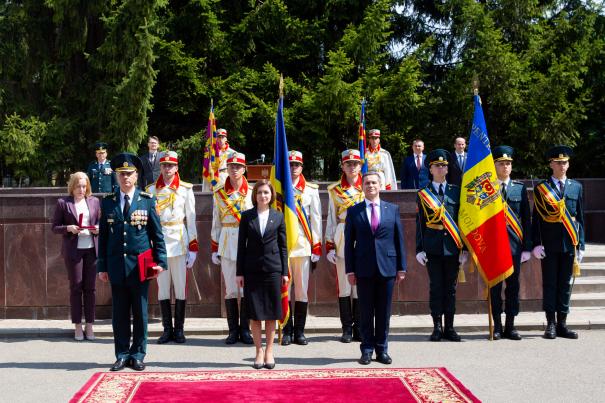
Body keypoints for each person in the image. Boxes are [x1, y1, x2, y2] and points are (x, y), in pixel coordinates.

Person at [97, 153, 167, 372]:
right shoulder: (108, 202)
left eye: (129, 174)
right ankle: (121, 354)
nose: (125, 177)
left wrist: (161, 261)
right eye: (121, 174)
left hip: (140, 267)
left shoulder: (147, 200)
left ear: (136, 176)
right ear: (117, 176)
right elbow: (104, 237)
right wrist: (102, 266)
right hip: (117, 266)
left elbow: (157, 235)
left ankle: (138, 354)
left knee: (140, 313)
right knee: (119, 315)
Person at [345, 171, 407, 365]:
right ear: (362, 187)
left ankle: (382, 350)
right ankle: (366, 349)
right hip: (363, 268)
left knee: (383, 312)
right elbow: (349, 244)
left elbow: (399, 240)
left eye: (373, 183)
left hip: (387, 267)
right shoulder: (354, 211)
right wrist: (350, 270)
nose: (370, 186)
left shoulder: (392, 209)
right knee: (365, 312)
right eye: (367, 183)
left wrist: (402, 267)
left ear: (380, 186)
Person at [532, 145, 585, 340]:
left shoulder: (576, 187)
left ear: (568, 164)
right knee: (550, 284)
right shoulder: (542, 188)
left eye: (565, 162)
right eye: (558, 162)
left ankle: (563, 323)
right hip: (549, 244)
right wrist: (536, 243)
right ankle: (551, 324)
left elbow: (580, 217)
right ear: (551, 164)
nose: (562, 166)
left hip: (569, 243)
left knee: (564, 285)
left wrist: (581, 245)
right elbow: (536, 219)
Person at [415, 149, 468, 342]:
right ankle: (437, 327)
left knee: (451, 290)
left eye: (444, 165)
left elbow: (464, 221)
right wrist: (419, 249)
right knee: (436, 288)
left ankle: (450, 327)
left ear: (447, 169)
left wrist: (465, 249)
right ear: (430, 169)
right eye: (437, 166)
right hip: (433, 248)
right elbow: (420, 224)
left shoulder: (456, 191)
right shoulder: (424, 194)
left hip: (453, 248)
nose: (441, 168)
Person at [146, 151, 198, 344]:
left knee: (180, 287)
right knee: (163, 288)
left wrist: (193, 247)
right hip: (159, 242)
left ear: (176, 168)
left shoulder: (185, 189)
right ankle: (167, 329)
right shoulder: (151, 190)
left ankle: (179, 330)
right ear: (160, 167)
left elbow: (191, 219)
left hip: (179, 241)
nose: (167, 169)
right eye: (164, 165)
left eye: (171, 165)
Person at [236, 180, 289, 369]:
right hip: (252, 271)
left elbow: (283, 246)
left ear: (271, 195)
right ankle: (258, 351)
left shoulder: (278, 216)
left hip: (273, 271)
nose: (263, 196)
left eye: (266, 192)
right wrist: (239, 272)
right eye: (259, 192)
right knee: (255, 314)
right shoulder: (247, 216)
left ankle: (269, 352)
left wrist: (284, 272)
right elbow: (241, 246)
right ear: (255, 195)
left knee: (271, 314)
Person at [210, 152, 254, 345]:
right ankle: (232, 331)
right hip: (227, 241)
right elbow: (216, 222)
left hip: (248, 244)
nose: (235, 170)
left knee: (246, 290)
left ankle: (246, 330)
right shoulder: (219, 193)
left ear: (244, 169)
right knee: (230, 290)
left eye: (238, 166)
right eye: (231, 166)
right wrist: (214, 247)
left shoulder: (252, 192)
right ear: (226, 169)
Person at [51, 172, 100, 341]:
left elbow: (99, 222)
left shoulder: (94, 201)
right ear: (72, 187)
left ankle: (90, 325)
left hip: (92, 249)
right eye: (78, 186)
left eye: (84, 186)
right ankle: (78, 325)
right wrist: (68, 228)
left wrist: (98, 228)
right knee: (76, 288)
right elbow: (54, 227)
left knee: (90, 288)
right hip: (74, 250)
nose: (81, 189)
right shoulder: (63, 203)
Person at [490, 146, 532, 340]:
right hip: (494, 247)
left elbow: (526, 219)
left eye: (508, 163)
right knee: (495, 289)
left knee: (513, 287)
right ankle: (497, 326)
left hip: (514, 247)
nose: (505, 167)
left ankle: (511, 326)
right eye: (501, 163)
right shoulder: (488, 188)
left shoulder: (519, 188)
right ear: (495, 165)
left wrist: (527, 247)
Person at [281, 150, 322, 346]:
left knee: (302, 291)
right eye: (290, 165)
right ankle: (286, 331)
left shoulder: (311, 190)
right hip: (284, 246)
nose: (293, 168)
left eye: (296, 165)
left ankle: (299, 332)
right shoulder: (279, 187)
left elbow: (316, 219)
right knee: (284, 290)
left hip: (304, 246)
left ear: (302, 167)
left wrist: (317, 246)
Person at [325, 149, 364, 343]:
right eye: (348, 164)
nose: (352, 167)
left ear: (360, 166)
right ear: (342, 166)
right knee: (344, 286)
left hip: (363, 237)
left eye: (355, 163)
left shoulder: (367, 186)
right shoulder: (334, 190)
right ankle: (346, 328)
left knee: (360, 286)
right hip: (342, 236)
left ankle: (359, 327)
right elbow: (331, 219)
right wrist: (329, 245)